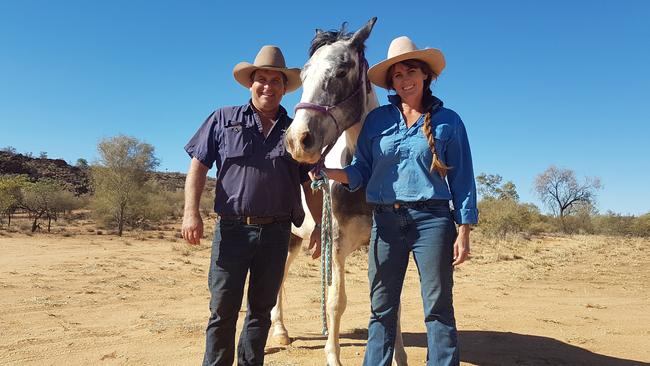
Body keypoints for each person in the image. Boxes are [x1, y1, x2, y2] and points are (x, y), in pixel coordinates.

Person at [311, 36, 478, 365]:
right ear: (391, 82)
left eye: (410, 71)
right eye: (397, 75)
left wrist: (464, 229)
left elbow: (463, 179)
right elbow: (361, 171)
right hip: (385, 222)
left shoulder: (450, 121)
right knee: (382, 308)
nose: (404, 80)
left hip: (433, 221)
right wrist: (329, 171)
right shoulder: (377, 121)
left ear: (426, 75)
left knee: (438, 308)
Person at [182, 45, 322, 366]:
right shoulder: (223, 118)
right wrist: (191, 212)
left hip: (276, 234)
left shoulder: (296, 130)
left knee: (261, 312)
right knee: (222, 310)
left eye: (276, 81)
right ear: (251, 83)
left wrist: (319, 225)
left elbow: (309, 183)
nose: (268, 87)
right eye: (262, 79)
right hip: (232, 230)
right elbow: (198, 166)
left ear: (285, 88)